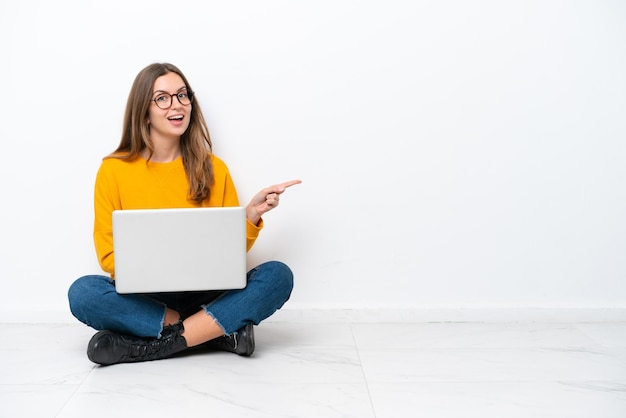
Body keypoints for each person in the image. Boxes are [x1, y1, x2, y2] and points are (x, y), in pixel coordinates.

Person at [68, 62, 301, 366]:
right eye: (162, 98)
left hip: (206, 293)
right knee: (83, 292)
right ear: (144, 111)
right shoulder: (113, 171)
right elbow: (109, 256)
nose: (176, 105)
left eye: (182, 95)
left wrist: (250, 215)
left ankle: (154, 345)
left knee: (277, 276)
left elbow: (229, 255)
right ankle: (213, 330)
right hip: (149, 298)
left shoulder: (214, 168)